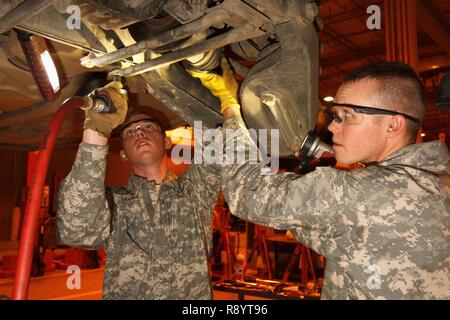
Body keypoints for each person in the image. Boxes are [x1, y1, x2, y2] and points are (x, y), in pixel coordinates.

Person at [189, 61, 450, 299]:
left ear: (393, 125)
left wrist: (229, 106)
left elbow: (249, 193)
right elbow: (334, 232)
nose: (333, 126)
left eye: (348, 116)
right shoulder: (438, 182)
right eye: (334, 115)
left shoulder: (363, 190)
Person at [57, 81, 222, 299]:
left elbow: (215, 134)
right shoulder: (114, 203)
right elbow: (77, 232)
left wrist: (171, 84)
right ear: (123, 153)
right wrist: (97, 128)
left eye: (148, 127)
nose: (139, 133)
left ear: (167, 142)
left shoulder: (195, 191)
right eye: (130, 133)